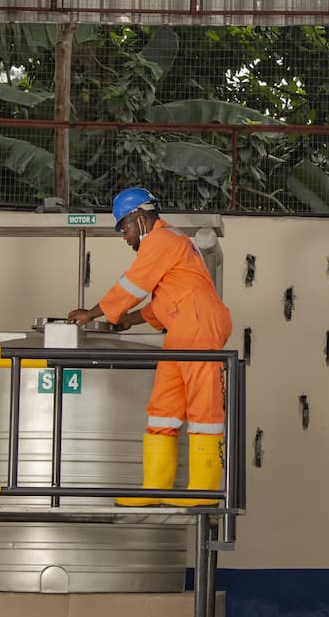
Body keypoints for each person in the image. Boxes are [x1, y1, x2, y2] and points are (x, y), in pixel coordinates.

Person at [66, 187, 232, 507]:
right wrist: (130, 319)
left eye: (124, 228)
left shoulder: (162, 240)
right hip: (182, 328)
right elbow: (168, 298)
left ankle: (204, 490)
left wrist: (93, 313)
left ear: (140, 218)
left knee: (203, 406)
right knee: (163, 407)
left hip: (198, 325)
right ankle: (155, 487)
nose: (126, 238)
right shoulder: (170, 245)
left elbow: (133, 284)